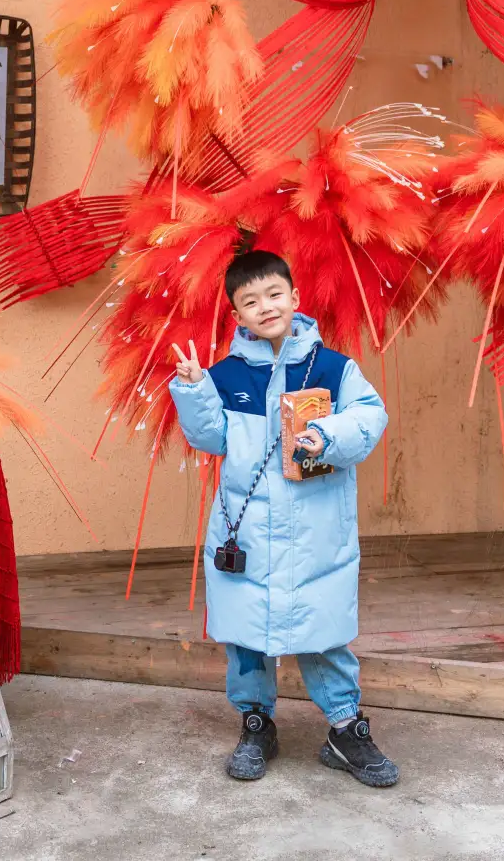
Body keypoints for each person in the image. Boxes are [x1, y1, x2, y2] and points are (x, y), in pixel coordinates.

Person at [169, 248, 399, 787]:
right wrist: (195, 390)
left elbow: (371, 416)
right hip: (245, 534)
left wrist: (330, 436)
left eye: (274, 295)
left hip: (317, 536)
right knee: (247, 636)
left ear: (296, 299)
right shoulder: (224, 376)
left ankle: (345, 728)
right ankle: (256, 723)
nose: (265, 307)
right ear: (237, 314)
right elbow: (211, 439)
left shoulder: (334, 367)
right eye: (250, 301)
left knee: (324, 633)